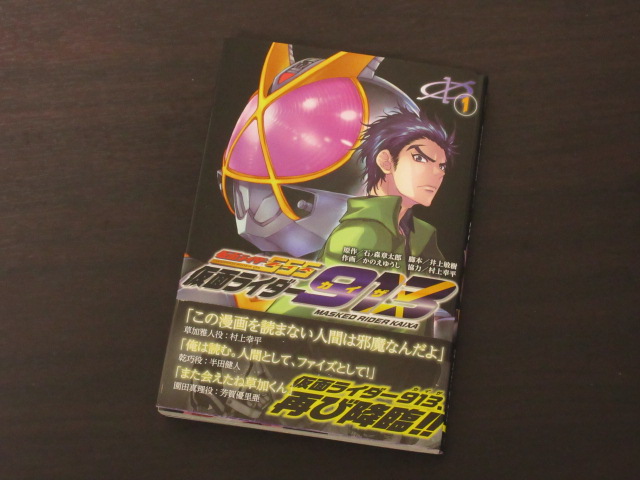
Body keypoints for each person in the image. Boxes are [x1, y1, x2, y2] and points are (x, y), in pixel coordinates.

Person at [317, 106, 456, 274]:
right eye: (419, 158)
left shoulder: (422, 233)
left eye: (442, 166)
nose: (438, 173)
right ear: (386, 162)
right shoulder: (359, 233)